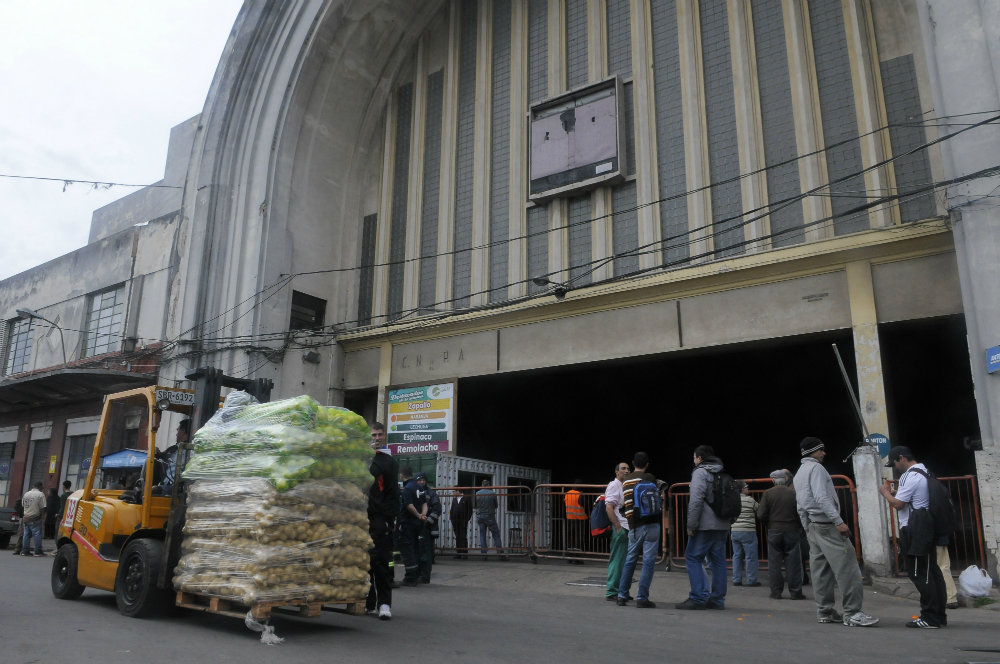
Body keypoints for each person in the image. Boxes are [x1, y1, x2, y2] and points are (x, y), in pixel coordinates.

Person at [795, 437, 878, 627]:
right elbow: (821, 497)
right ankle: (853, 613)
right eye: (821, 450)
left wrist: (807, 527)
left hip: (814, 526)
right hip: (827, 525)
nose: (824, 453)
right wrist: (838, 521)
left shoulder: (800, 471)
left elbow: (800, 504)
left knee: (820, 571)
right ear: (813, 451)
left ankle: (825, 611)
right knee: (848, 569)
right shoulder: (816, 469)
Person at [877, 446, 947, 628]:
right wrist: (895, 494)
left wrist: (885, 493)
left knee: (919, 572)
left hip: (914, 529)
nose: (895, 467)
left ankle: (930, 617)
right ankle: (939, 615)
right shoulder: (924, 471)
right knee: (932, 571)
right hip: (925, 526)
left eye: (895, 463)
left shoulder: (910, 475)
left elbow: (899, 505)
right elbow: (912, 498)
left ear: (902, 458)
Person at [676, 445, 731, 610]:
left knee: (692, 557)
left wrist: (691, 525)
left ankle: (698, 598)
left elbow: (696, 500)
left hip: (705, 525)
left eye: (694, 458)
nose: (693, 461)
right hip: (722, 525)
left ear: (699, 458)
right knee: (718, 562)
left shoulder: (700, 472)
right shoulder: (722, 472)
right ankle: (717, 600)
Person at [617, 452, 662, 608]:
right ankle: (642, 598)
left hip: (634, 525)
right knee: (648, 562)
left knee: (630, 560)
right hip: (652, 523)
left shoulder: (625, 481)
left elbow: (624, 504)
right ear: (647, 465)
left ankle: (622, 595)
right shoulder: (650, 478)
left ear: (633, 463)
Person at [365, 421, 398, 620]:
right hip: (360, 518)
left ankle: (384, 603)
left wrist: (388, 519)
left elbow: (393, 493)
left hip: (379, 519)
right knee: (364, 562)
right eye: (373, 435)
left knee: (381, 562)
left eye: (379, 435)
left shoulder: (388, 462)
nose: (376, 438)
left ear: (384, 437)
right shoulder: (360, 459)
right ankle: (369, 602)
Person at [758, 470, 805, 600]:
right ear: (785, 479)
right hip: (792, 529)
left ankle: (776, 592)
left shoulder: (767, 493)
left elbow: (761, 515)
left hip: (774, 530)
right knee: (794, 562)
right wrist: (798, 526)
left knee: (774, 563)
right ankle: (796, 592)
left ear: (773, 481)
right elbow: (800, 512)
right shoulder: (794, 493)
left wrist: (769, 524)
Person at [604, 462, 631, 601]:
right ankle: (612, 591)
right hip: (621, 528)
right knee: (618, 560)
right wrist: (618, 526)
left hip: (625, 527)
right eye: (623, 469)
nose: (626, 471)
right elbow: (609, 507)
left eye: (628, 469)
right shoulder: (615, 485)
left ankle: (620, 591)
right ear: (617, 472)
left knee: (624, 561)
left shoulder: (624, 486)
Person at [398, 466, 427, 586]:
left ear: (402, 476)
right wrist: (423, 516)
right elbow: (425, 503)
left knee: (408, 550)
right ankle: (415, 575)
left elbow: (409, 506)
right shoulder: (419, 487)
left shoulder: (407, 488)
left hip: (409, 523)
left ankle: (410, 577)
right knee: (415, 549)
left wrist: (418, 515)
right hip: (418, 524)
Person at [731, 480, 760, 587]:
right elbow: (760, 510)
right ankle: (751, 580)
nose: (748, 488)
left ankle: (736, 579)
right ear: (743, 489)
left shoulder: (733, 500)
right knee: (751, 556)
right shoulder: (750, 500)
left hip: (734, 530)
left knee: (737, 556)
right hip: (748, 531)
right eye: (747, 487)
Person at [416, 473, 441, 584]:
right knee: (417, 552)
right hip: (417, 526)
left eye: (424, 480)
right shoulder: (416, 492)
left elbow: (437, 510)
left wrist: (427, 522)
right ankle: (418, 574)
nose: (422, 482)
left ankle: (424, 576)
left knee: (425, 554)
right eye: (420, 480)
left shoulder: (431, 493)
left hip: (426, 528)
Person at [476, 480, 508, 561]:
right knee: (496, 535)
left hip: (480, 516)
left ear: (482, 485)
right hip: (490, 517)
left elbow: (476, 504)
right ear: (489, 485)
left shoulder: (477, 493)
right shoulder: (492, 493)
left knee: (482, 536)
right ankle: (500, 555)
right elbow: (496, 505)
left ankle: (484, 555)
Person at [564, 479, 587, 564]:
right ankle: (577, 558)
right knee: (579, 539)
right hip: (579, 519)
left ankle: (569, 558)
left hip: (569, 519)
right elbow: (585, 505)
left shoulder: (567, 494)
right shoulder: (579, 495)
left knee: (570, 538)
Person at [20, 481, 46, 557]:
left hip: (26, 517)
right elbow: (42, 507)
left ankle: (25, 550)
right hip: (35, 518)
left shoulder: (26, 494)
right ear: (40, 487)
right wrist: (42, 516)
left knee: (26, 535)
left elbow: (23, 505)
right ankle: (38, 551)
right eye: (42, 487)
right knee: (37, 535)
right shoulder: (40, 494)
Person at [450, 489, 474, 559]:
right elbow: (452, 509)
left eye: (454, 491)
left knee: (463, 535)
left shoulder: (466, 498)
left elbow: (469, 509)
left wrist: (467, 519)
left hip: (463, 520)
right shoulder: (454, 500)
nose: (453, 493)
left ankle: (464, 552)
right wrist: (451, 518)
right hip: (455, 520)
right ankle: (459, 552)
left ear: (458, 491)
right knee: (457, 536)